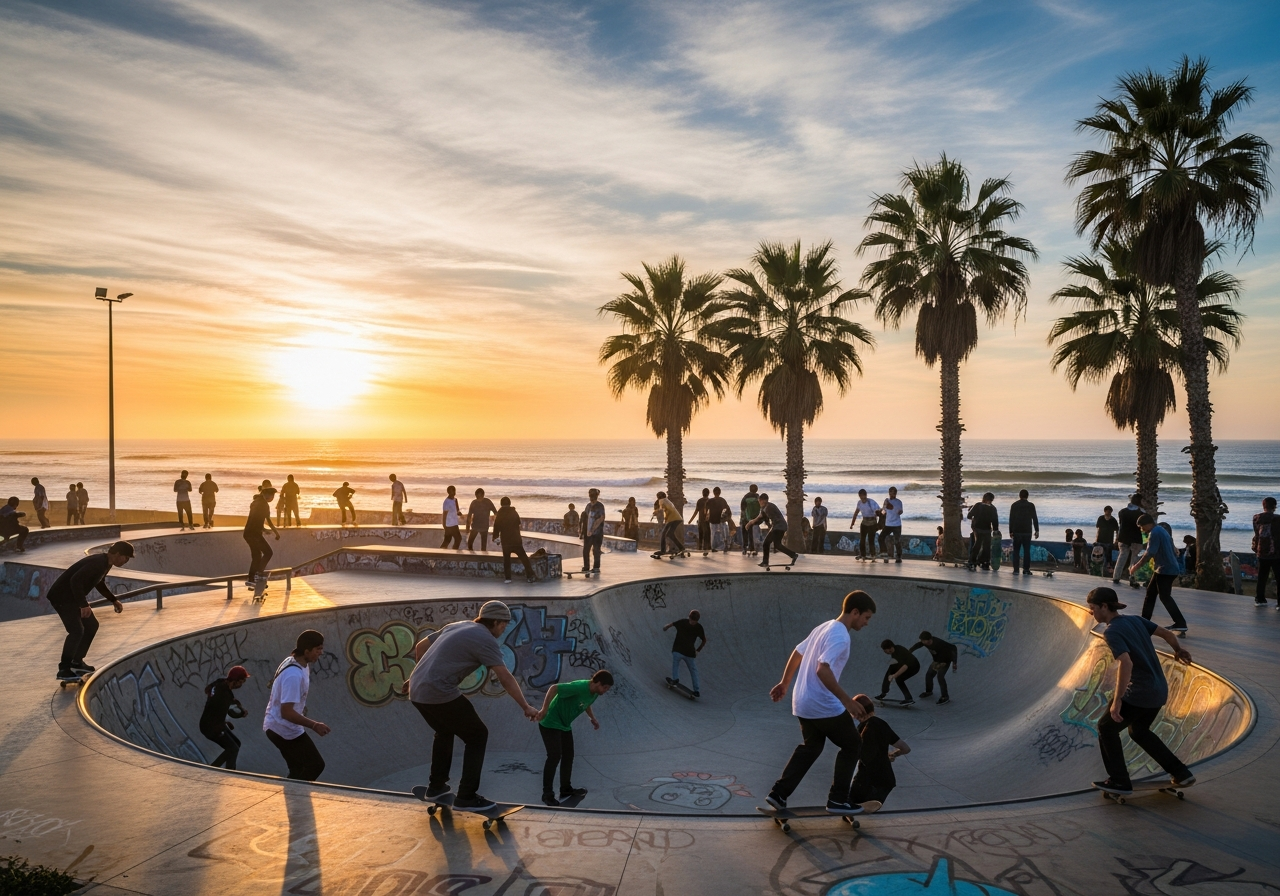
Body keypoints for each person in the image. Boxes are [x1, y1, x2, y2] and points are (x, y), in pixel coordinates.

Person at [405, 601, 540, 811]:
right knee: (477, 735)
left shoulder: (458, 625)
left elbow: (421, 646)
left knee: (444, 731)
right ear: (495, 621)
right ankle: (466, 796)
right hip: (439, 691)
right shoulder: (485, 640)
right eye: (503, 625)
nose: (504, 630)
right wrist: (525, 706)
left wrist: (420, 676)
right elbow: (504, 676)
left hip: (416, 690)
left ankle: (436, 787)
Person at [765, 590, 877, 813]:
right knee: (853, 744)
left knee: (812, 747)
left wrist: (785, 683)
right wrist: (847, 701)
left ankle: (779, 794)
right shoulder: (840, 635)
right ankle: (838, 799)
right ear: (855, 612)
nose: (866, 624)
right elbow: (822, 670)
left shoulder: (824, 627)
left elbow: (798, 652)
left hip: (802, 702)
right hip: (822, 704)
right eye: (866, 617)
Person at [1085, 587, 1195, 796]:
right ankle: (1181, 773)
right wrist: (1178, 650)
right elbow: (1166, 633)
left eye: (1093, 608)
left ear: (1104, 607)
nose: (1091, 613)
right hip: (1159, 690)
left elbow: (1125, 663)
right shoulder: (1135, 620)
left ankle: (1119, 781)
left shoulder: (1112, 631)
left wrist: (1117, 700)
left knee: (1106, 728)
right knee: (1139, 731)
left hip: (1140, 692)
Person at [48, 541, 133, 681]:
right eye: (126, 557)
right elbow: (75, 580)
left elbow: (99, 582)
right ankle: (64, 669)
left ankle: (77, 661)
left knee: (92, 625)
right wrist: (83, 604)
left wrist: (113, 600)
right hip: (62, 597)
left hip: (72, 598)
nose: (126, 561)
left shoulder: (106, 564)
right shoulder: (97, 562)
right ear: (118, 554)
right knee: (76, 631)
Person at [535, 670, 613, 806]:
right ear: (598, 683)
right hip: (550, 723)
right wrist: (544, 710)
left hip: (564, 725)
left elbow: (586, 703)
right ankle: (547, 794)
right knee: (554, 756)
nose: (605, 691)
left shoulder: (594, 693)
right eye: (605, 688)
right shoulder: (579, 687)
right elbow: (554, 688)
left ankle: (565, 789)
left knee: (568, 756)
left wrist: (592, 718)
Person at [264, 630, 331, 781]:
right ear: (306, 651)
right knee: (315, 765)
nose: (321, 653)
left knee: (297, 769)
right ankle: (298, 799)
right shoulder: (293, 675)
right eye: (317, 649)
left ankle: (294, 798)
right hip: (282, 729)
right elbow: (286, 712)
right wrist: (314, 725)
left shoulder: (297, 662)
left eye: (321, 648)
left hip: (276, 725)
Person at [847, 694, 911, 808]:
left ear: (858, 710)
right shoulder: (881, 724)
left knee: (847, 804)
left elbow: (865, 757)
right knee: (863, 809)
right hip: (886, 781)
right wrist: (891, 755)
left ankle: (854, 806)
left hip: (868, 782)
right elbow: (905, 748)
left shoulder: (865, 729)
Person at [1129, 514, 1188, 634]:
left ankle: (1180, 623)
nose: (1141, 530)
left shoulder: (1154, 533)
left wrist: (1136, 566)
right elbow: (1171, 542)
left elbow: (1149, 553)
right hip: (1165, 569)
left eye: (1141, 527)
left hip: (1165, 570)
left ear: (1148, 524)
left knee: (1164, 596)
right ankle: (1145, 622)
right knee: (1151, 594)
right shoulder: (1161, 529)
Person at [201, 665, 250, 769]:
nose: (241, 685)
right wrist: (241, 714)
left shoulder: (220, 683)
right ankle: (214, 769)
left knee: (236, 743)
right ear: (235, 680)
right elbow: (231, 712)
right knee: (233, 748)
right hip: (211, 727)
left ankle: (229, 770)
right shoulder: (224, 694)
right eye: (241, 682)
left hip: (214, 723)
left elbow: (208, 689)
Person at [746, 492, 798, 569]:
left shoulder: (769, 507)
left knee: (766, 543)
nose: (759, 503)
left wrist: (750, 523)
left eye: (759, 501)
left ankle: (765, 562)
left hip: (779, 526)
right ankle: (793, 555)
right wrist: (750, 523)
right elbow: (760, 517)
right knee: (776, 545)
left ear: (763, 500)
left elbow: (761, 517)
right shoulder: (765, 507)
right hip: (777, 526)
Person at [663, 610, 707, 696]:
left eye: (694, 622)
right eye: (691, 620)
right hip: (678, 650)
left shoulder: (699, 627)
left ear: (697, 621)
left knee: (693, 670)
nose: (692, 623)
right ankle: (675, 679)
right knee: (675, 662)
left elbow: (704, 640)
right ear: (689, 617)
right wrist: (666, 627)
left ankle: (696, 690)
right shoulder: (683, 622)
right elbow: (672, 624)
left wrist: (698, 650)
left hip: (689, 653)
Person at [493, 497, 535, 583]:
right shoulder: (514, 512)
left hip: (506, 541)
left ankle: (508, 578)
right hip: (516, 540)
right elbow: (518, 523)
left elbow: (496, 527)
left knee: (507, 560)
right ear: (510, 503)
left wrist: (495, 537)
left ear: (501, 504)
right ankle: (530, 576)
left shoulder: (500, 513)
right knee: (524, 558)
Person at [244, 485, 281, 583]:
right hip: (254, 534)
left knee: (256, 556)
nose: (272, 498)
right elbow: (268, 520)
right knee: (268, 553)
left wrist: (263, 529)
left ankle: (251, 578)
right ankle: (258, 574)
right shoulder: (264, 505)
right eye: (272, 496)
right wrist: (276, 533)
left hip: (247, 533)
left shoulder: (255, 502)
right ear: (266, 495)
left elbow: (255, 519)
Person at [909, 631, 958, 704]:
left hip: (945, 661)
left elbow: (953, 647)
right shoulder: (925, 642)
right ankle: (929, 691)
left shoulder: (939, 642)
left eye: (923, 640)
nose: (922, 642)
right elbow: (917, 645)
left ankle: (945, 696)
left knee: (940, 677)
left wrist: (954, 662)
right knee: (929, 675)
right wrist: (909, 651)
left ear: (928, 640)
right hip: (937, 661)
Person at [1113, 494, 1145, 588]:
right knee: (1134, 560)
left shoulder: (1122, 512)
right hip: (1136, 538)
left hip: (1123, 538)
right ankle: (1132, 578)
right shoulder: (1141, 513)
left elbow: (1121, 525)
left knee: (1122, 557)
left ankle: (1116, 577)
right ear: (1139, 501)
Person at [876, 640, 919, 705]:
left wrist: (895, 675)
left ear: (890, 648)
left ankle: (909, 698)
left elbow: (905, 666)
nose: (884, 652)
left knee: (899, 679)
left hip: (913, 667)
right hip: (903, 665)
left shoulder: (900, 651)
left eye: (885, 650)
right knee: (890, 669)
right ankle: (884, 692)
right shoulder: (894, 650)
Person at [1254, 497, 1278, 607]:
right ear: (1274, 506)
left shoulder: (1256, 518)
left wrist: (1256, 549)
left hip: (1261, 551)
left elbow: (1257, 534)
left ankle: (1259, 600)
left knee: (1262, 576)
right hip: (1276, 553)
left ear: (1263, 506)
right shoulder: (1277, 519)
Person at [1008, 489, 1039, 576]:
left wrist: (1010, 531)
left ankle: (1016, 570)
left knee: (1016, 551)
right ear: (1027, 496)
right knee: (1026, 551)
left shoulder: (1014, 505)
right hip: (1027, 532)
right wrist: (1037, 530)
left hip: (1016, 531)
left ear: (1019, 496)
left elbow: (1011, 519)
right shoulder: (1031, 505)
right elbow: (1035, 518)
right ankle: (1026, 570)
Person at [966, 493, 999, 571]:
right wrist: (995, 530)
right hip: (987, 529)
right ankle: (985, 562)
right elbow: (995, 520)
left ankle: (972, 561)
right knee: (986, 546)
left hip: (978, 528)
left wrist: (974, 519)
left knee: (977, 545)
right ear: (992, 500)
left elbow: (969, 516)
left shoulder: (978, 505)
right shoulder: (993, 508)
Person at [849, 489, 880, 560]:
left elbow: (880, 511)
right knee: (862, 540)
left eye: (864, 496)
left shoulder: (871, 502)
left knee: (870, 540)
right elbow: (856, 513)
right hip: (864, 522)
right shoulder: (859, 503)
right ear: (859, 496)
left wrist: (879, 523)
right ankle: (862, 555)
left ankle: (873, 555)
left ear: (866, 495)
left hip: (872, 523)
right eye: (861, 496)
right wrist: (852, 523)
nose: (863, 498)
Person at [651, 491, 684, 558]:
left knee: (663, 534)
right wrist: (658, 512)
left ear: (659, 497)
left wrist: (665, 518)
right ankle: (681, 548)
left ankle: (663, 551)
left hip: (672, 519)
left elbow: (666, 510)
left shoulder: (661, 500)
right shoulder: (666, 500)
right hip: (678, 518)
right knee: (670, 534)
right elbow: (663, 509)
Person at [580, 488, 606, 573]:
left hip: (597, 533)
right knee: (586, 550)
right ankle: (586, 566)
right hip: (588, 533)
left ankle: (596, 567)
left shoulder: (600, 506)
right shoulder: (588, 506)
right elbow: (586, 518)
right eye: (590, 495)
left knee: (596, 550)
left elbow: (601, 518)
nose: (591, 497)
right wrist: (583, 531)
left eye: (593, 495)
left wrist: (592, 529)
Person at [880, 487, 904, 562]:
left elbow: (900, 512)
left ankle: (899, 556)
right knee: (881, 538)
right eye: (891, 492)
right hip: (888, 524)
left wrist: (893, 508)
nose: (892, 494)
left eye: (894, 492)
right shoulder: (886, 501)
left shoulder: (899, 502)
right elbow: (883, 511)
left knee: (897, 541)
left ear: (896, 493)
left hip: (896, 524)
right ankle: (884, 554)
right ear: (889, 493)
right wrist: (881, 511)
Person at [708, 487, 732, 553]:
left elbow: (706, 510)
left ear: (713, 492)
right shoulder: (722, 500)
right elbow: (728, 509)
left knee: (712, 534)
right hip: (721, 520)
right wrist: (729, 518)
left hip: (712, 520)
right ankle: (725, 546)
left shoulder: (710, 501)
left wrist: (706, 517)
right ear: (720, 492)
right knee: (723, 534)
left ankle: (713, 548)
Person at [1096, 505, 1119, 572]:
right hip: (1100, 538)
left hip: (1109, 540)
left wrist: (1116, 540)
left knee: (1108, 553)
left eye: (1110, 511)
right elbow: (1098, 529)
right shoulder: (1100, 518)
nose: (1109, 513)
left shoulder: (1113, 520)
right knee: (1099, 552)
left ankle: (1109, 566)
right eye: (1107, 511)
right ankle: (1100, 565)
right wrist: (1096, 539)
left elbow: (1117, 531)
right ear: (1105, 511)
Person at [689, 488, 712, 553]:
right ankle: (706, 548)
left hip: (700, 521)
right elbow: (711, 512)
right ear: (708, 493)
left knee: (701, 535)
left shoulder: (699, 501)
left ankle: (700, 548)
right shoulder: (710, 501)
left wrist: (690, 520)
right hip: (707, 522)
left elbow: (696, 511)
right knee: (707, 535)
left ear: (702, 493)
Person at [740, 485, 761, 554]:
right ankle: (752, 548)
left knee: (744, 534)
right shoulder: (758, 497)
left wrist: (744, 516)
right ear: (757, 489)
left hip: (744, 518)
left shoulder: (745, 497)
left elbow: (742, 508)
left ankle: (744, 548)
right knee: (751, 534)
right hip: (753, 518)